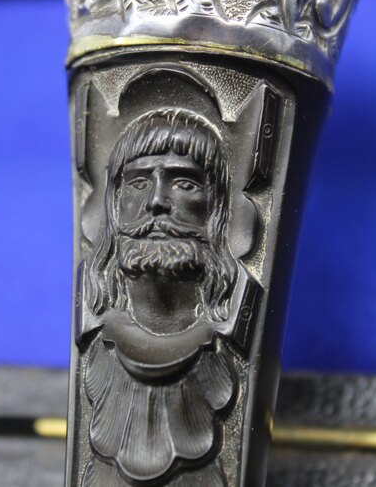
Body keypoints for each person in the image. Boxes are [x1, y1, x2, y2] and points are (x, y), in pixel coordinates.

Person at [80, 108, 259, 486]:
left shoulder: (239, 318)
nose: (157, 201)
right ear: (114, 202)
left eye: (184, 183)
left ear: (218, 208)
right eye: (139, 182)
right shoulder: (94, 322)